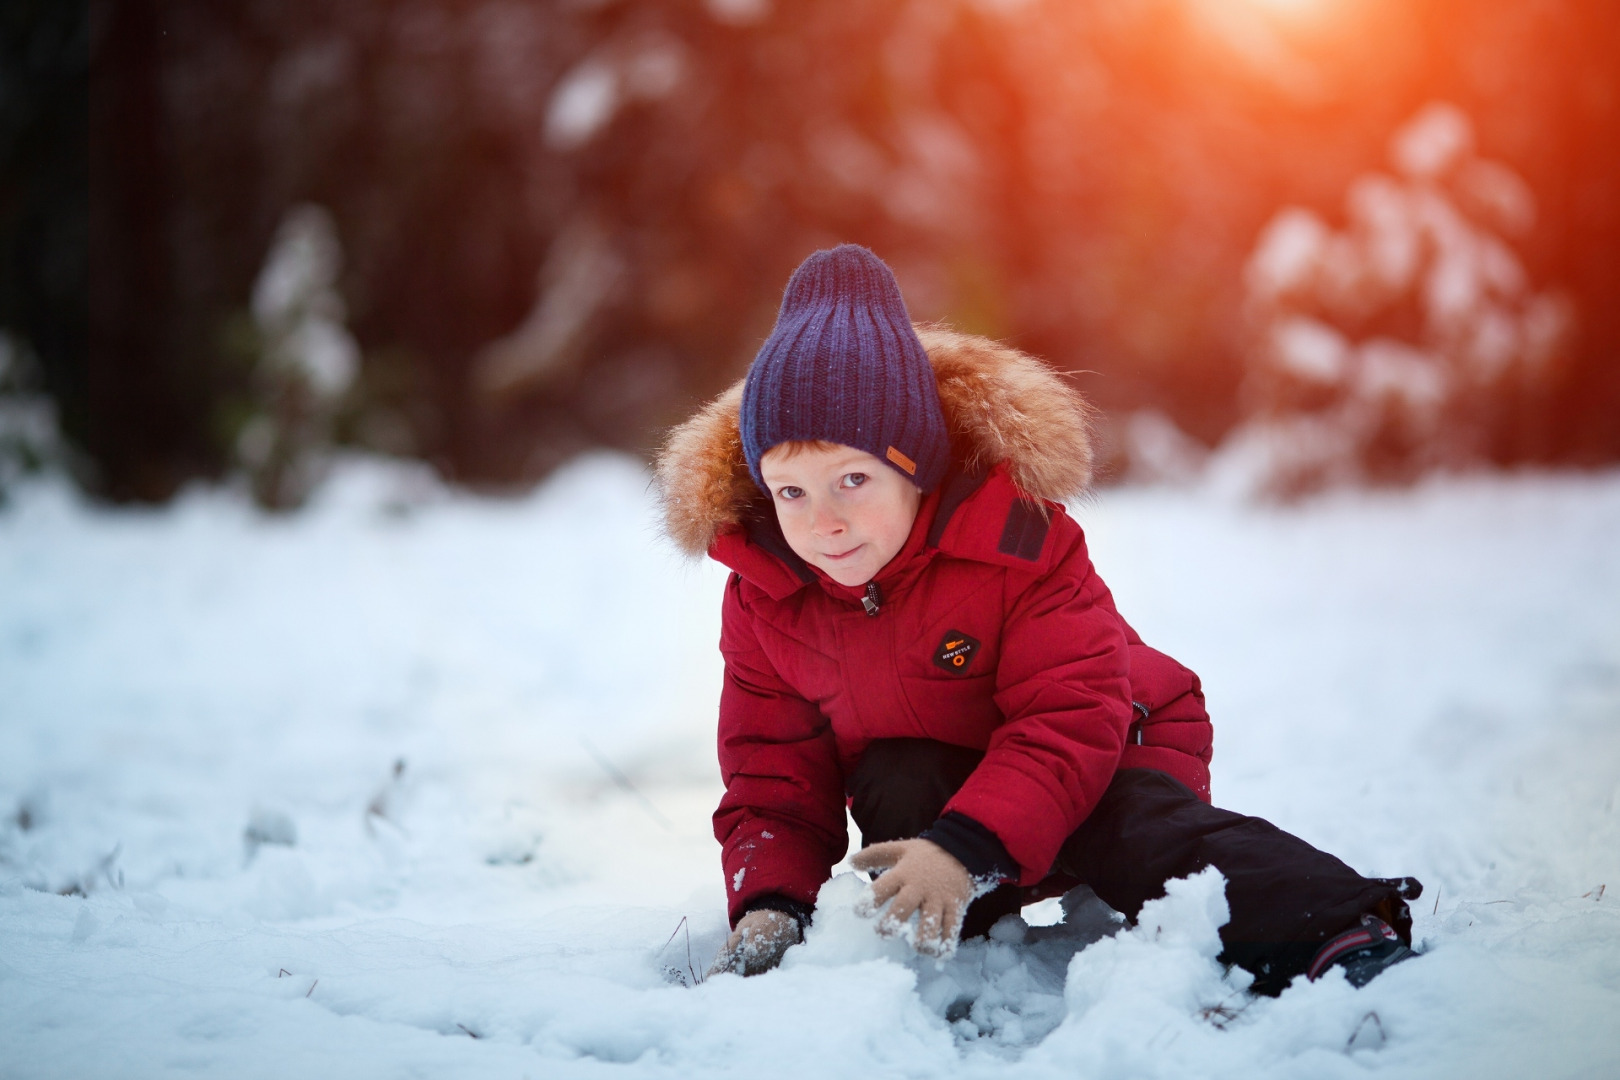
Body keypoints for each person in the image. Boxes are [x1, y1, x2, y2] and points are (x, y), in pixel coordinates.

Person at [654, 244, 1420, 995]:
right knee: (894, 774)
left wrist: (964, 846)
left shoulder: (1016, 542)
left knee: (1134, 835)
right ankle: (975, 906)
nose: (823, 521)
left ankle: (1332, 925)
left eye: (853, 479)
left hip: (1113, 742)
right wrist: (771, 906)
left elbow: (1069, 717)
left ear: (915, 466)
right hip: (958, 781)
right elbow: (771, 774)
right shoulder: (769, 596)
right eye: (791, 492)